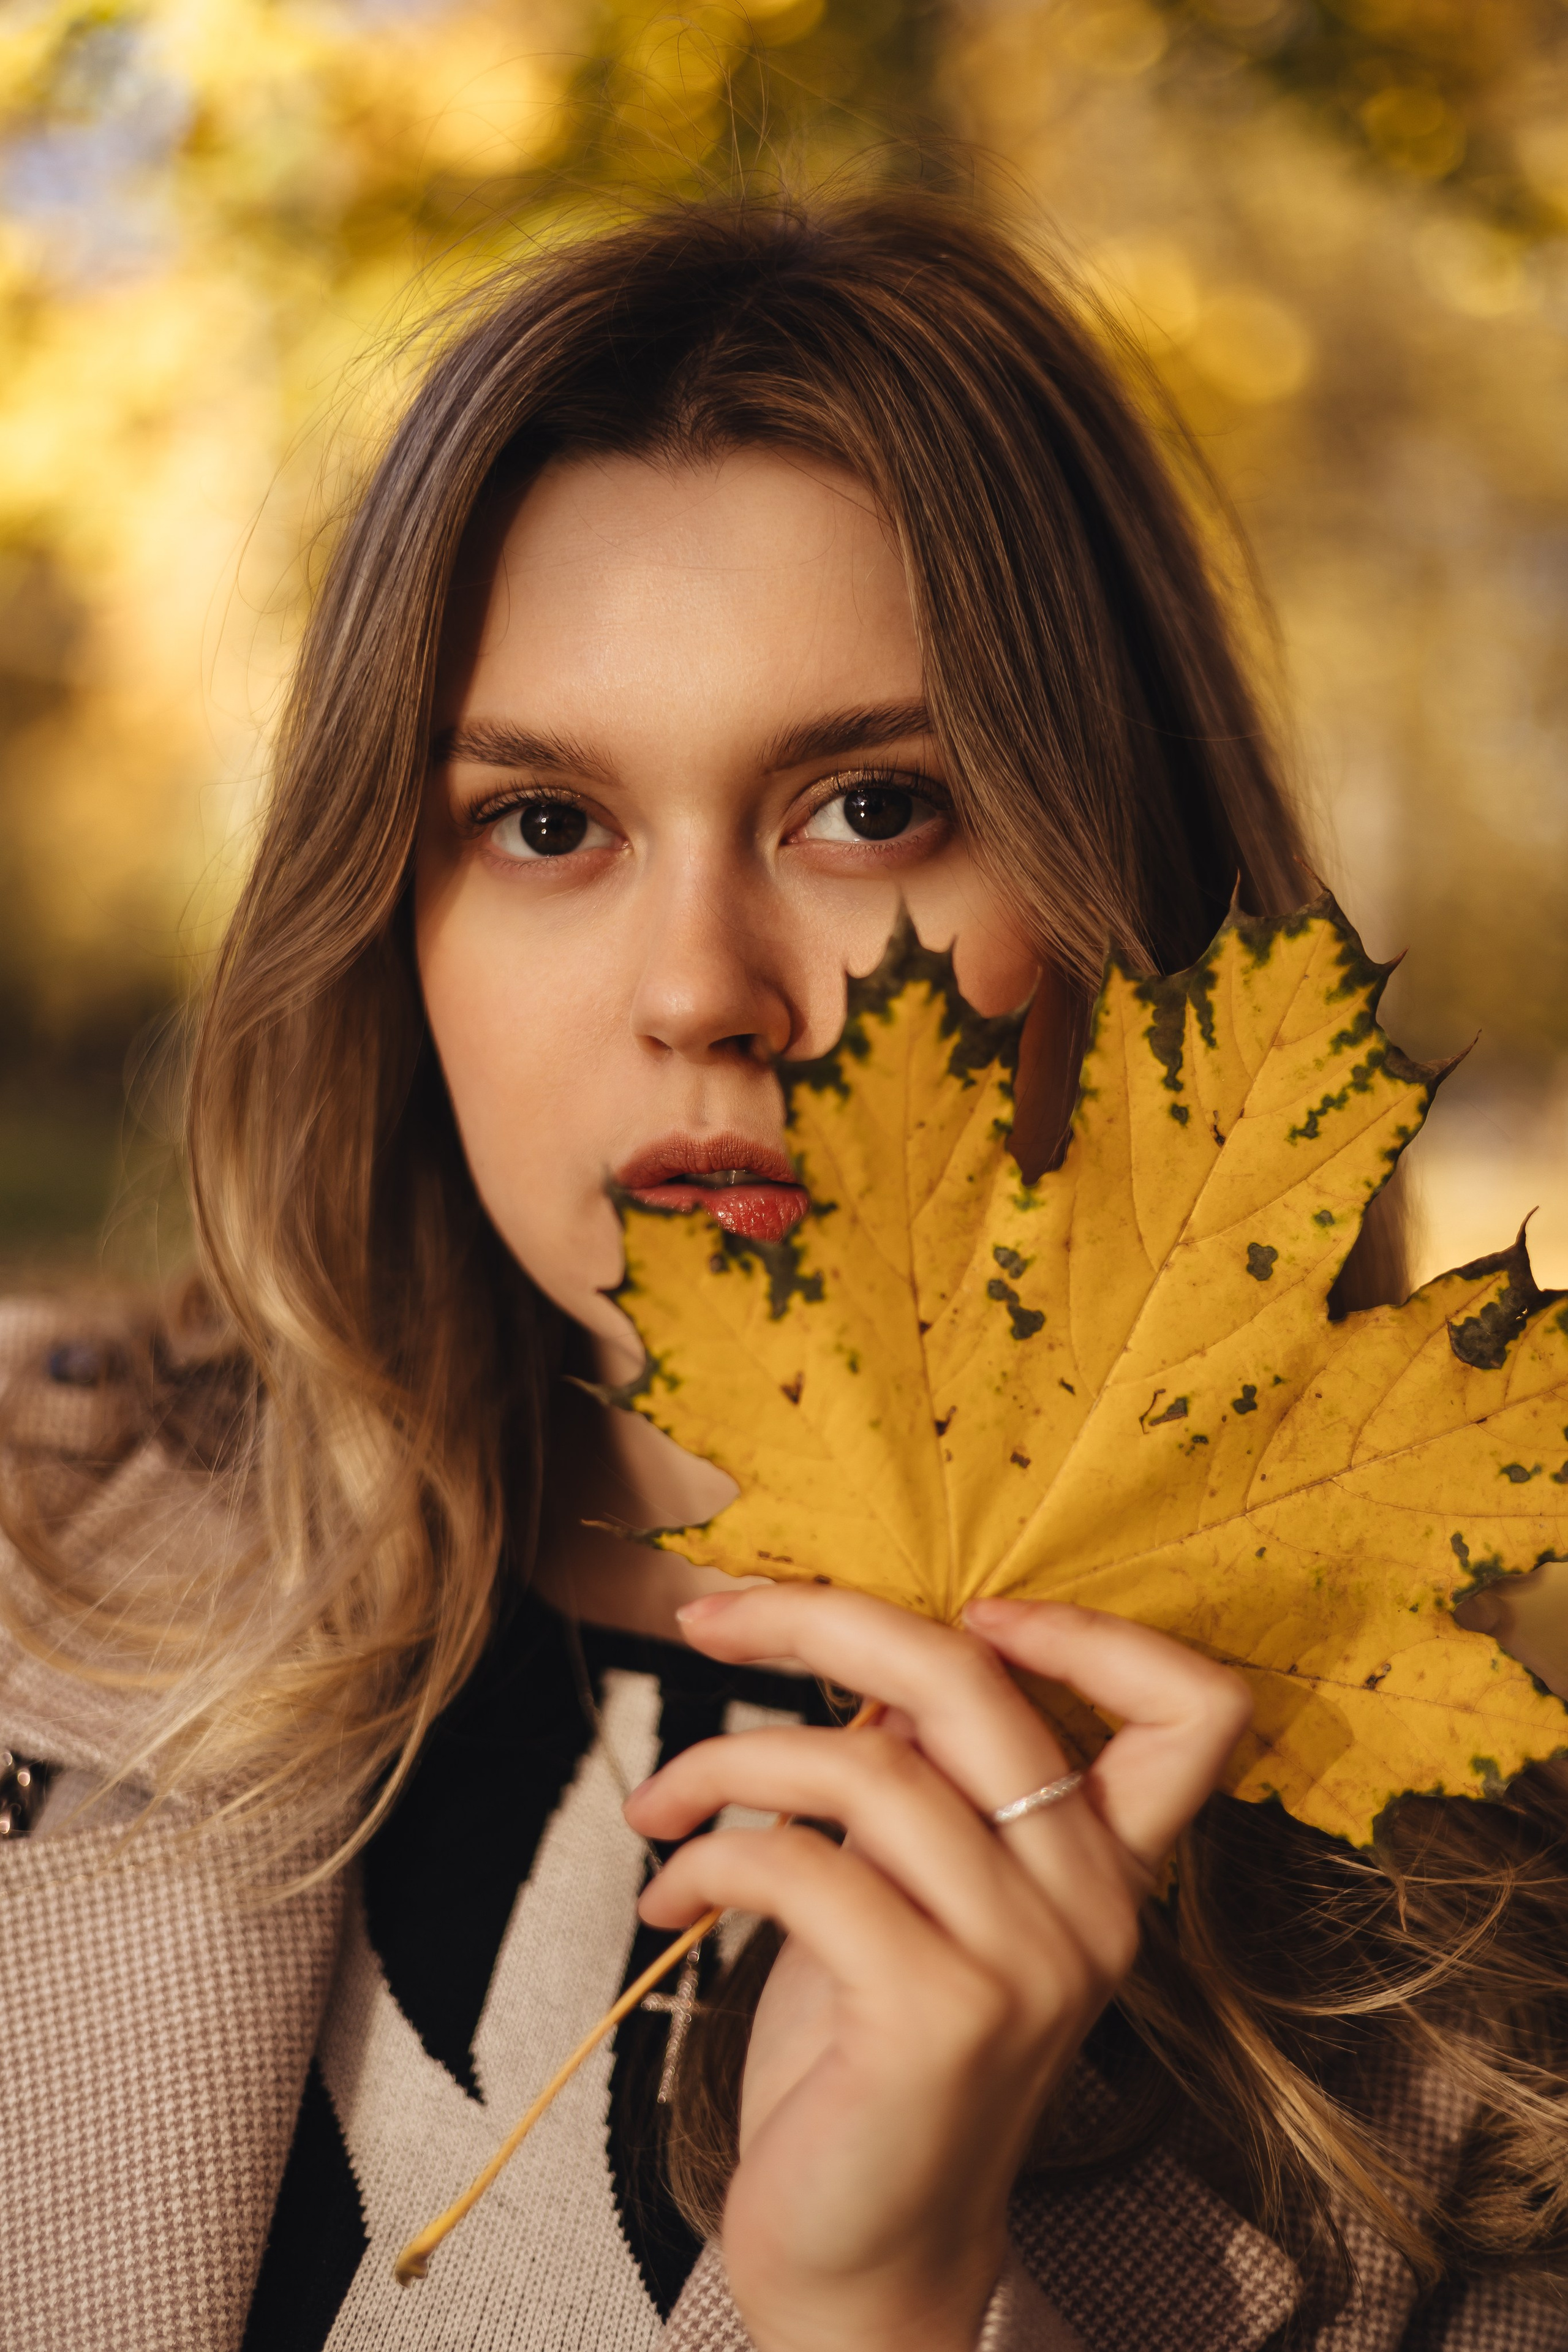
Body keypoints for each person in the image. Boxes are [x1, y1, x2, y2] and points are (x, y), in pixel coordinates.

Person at [2, 194, 1566, 2352]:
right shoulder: (36, 1545)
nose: (699, 993)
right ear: (388, 920)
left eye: (872, 807)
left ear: (1132, 897)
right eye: (546, 824)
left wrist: (891, 2310)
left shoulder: (1465, 2030)